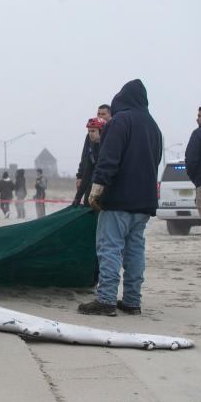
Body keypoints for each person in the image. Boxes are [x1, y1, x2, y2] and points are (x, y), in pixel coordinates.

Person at [79, 79, 162, 316]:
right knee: (135, 249)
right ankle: (132, 301)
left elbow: (109, 157)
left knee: (110, 247)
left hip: (119, 199)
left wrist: (98, 187)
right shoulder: (154, 127)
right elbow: (155, 162)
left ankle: (106, 299)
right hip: (144, 201)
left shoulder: (120, 121)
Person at [76, 104, 112, 194]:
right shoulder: (90, 135)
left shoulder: (114, 133)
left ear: (110, 115)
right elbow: (85, 156)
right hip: (90, 176)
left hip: (106, 179)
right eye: (98, 114)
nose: (100, 116)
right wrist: (80, 176)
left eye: (103, 114)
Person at [73, 117, 106, 205]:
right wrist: (77, 198)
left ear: (101, 131)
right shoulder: (92, 147)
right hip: (93, 185)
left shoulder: (108, 149)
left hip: (106, 190)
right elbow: (87, 172)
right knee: (87, 201)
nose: (90, 134)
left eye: (93, 131)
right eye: (89, 131)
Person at [185, 105, 201, 220]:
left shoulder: (198, 134)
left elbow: (191, 161)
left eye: (200, 116)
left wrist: (197, 181)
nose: (197, 119)